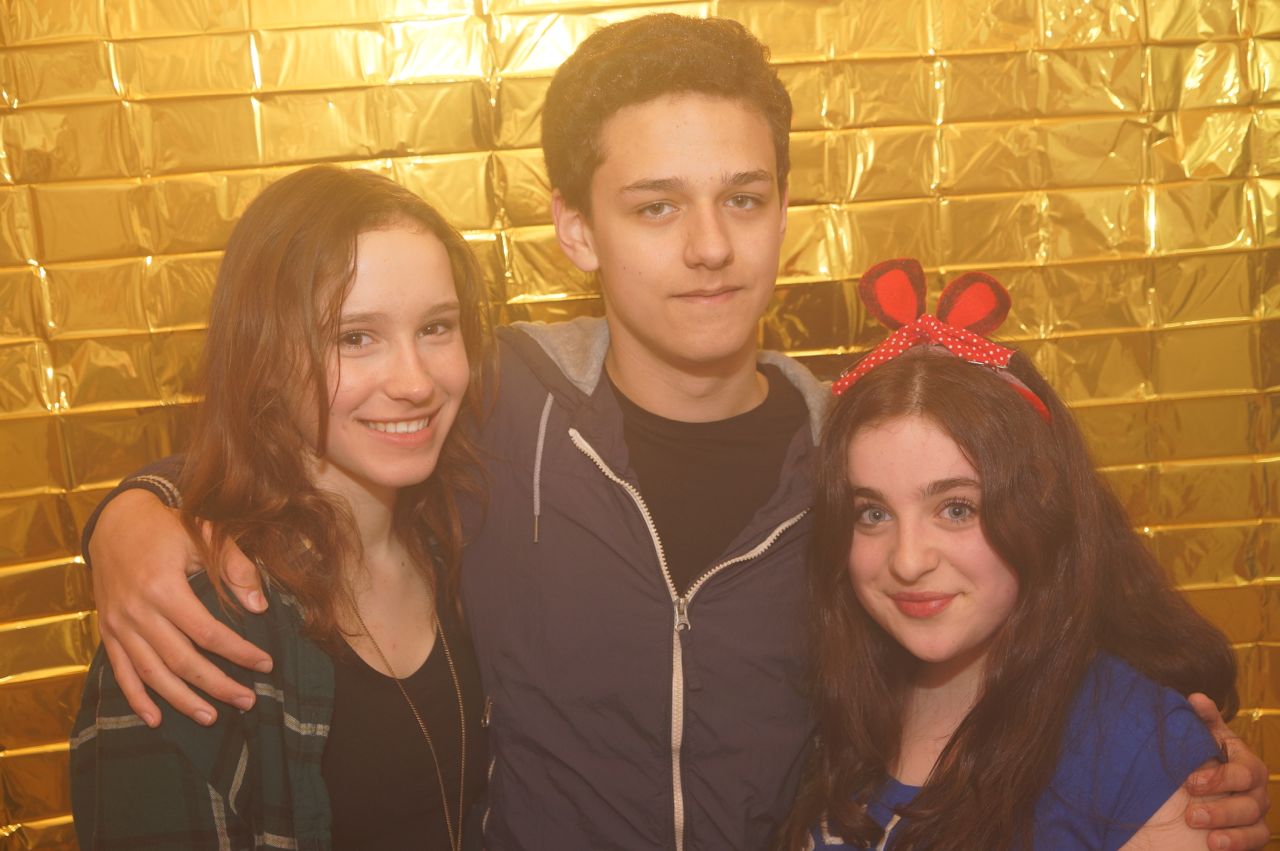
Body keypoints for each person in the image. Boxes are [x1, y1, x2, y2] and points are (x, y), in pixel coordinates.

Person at [77, 15, 1270, 851]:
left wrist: (1181, 753)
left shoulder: (856, 453)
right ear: (575, 229)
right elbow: (305, 429)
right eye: (655, 207)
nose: (708, 247)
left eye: (741, 198)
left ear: (783, 212)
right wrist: (133, 515)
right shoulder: (489, 404)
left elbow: (1046, 585)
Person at [70, 165, 490, 850]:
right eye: (355, 337)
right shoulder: (193, 623)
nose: (415, 381)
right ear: (263, 356)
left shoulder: (461, 539)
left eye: (437, 327)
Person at [777, 259, 1240, 850]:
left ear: (1040, 508)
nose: (908, 561)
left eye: (957, 509)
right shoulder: (826, 707)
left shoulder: (1136, 745)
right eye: (873, 514)